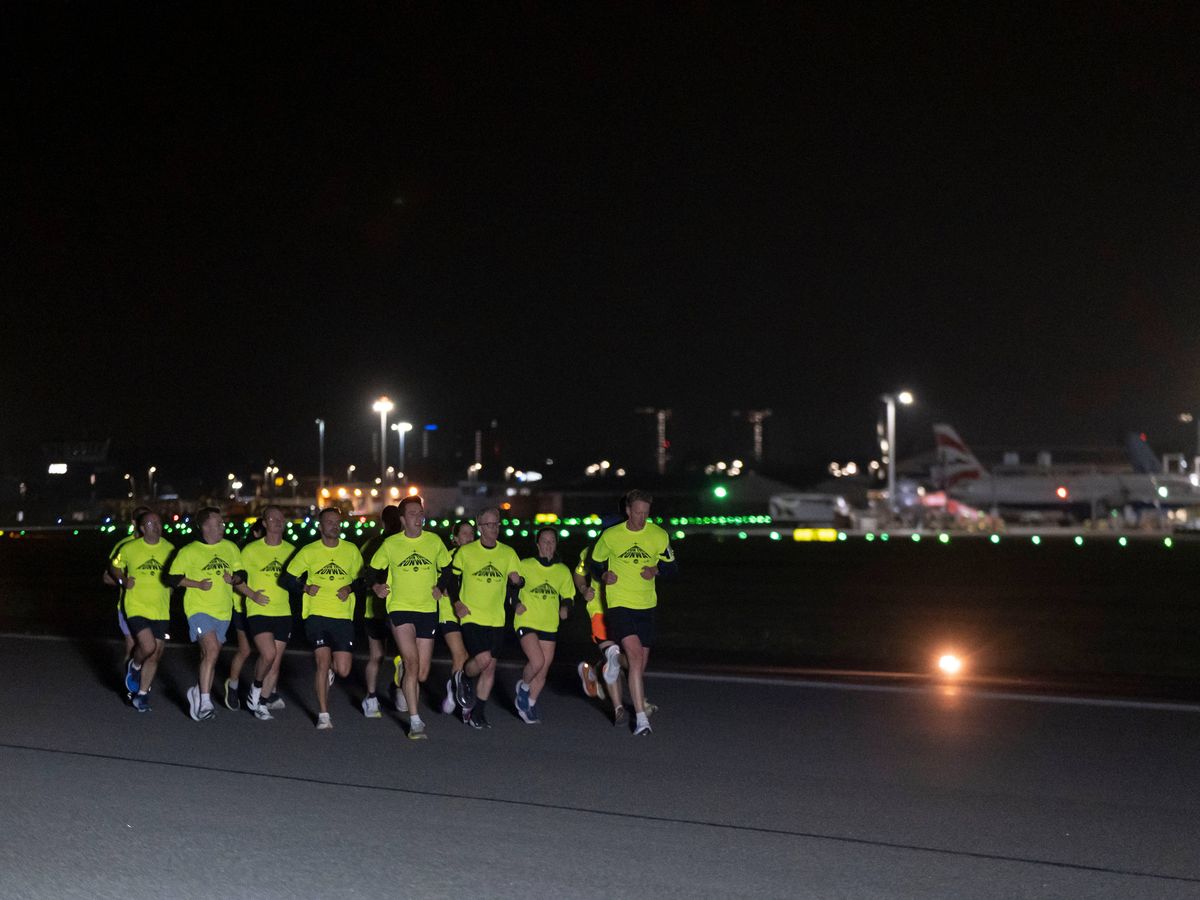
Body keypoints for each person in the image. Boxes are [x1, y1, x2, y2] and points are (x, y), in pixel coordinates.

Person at [590, 490, 676, 736]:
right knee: (636, 657)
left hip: (646, 605)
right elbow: (595, 564)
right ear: (628, 511)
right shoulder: (611, 536)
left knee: (638, 663)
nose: (641, 518)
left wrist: (656, 571)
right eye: (637, 513)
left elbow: (672, 568)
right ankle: (641, 720)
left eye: (646, 513)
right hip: (619, 603)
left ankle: (613, 661)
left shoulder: (658, 535)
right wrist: (604, 575)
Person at [367, 495, 451, 739]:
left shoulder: (434, 541)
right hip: (400, 608)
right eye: (413, 514)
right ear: (403, 520)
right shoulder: (391, 545)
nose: (418, 517)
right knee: (413, 663)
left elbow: (446, 567)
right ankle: (415, 721)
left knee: (421, 673)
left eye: (420, 513)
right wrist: (376, 587)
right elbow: (371, 570)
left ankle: (401, 675)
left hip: (427, 609)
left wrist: (440, 586)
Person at [283, 507, 364, 730]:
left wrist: (349, 587)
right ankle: (324, 715)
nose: (334, 526)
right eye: (329, 522)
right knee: (321, 662)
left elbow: (363, 579)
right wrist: (305, 587)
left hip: (342, 616)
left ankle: (329, 671)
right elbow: (287, 579)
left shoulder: (351, 550)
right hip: (316, 615)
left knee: (344, 669)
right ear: (320, 526)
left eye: (337, 522)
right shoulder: (309, 551)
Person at [167, 507, 247, 722]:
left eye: (222, 524)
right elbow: (172, 578)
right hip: (198, 609)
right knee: (211, 651)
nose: (221, 527)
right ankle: (204, 702)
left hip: (223, 611)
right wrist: (197, 584)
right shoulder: (190, 551)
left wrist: (235, 580)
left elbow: (241, 573)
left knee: (209, 655)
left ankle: (197, 692)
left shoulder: (230, 548)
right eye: (217, 524)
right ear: (204, 527)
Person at [448, 507, 521, 729]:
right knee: (482, 661)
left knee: (490, 667)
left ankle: (478, 713)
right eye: (489, 525)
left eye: (497, 524)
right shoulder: (466, 552)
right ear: (479, 527)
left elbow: (516, 582)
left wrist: (517, 583)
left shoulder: (508, 553)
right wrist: (457, 603)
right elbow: (451, 579)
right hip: (472, 616)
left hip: (497, 618)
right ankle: (465, 678)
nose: (494, 528)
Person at [236, 506, 296, 721]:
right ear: (264, 523)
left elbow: (300, 579)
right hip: (258, 610)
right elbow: (238, 581)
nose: (278, 522)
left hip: (283, 611)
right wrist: (252, 595)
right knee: (268, 655)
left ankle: (260, 702)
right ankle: (256, 690)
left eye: (281, 518)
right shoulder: (250, 550)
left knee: (275, 662)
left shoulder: (291, 550)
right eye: (273, 518)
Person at [111, 510, 173, 712]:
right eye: (150, 523)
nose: (156, 526)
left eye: (158, 522)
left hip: (161, 608)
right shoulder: (130, 548)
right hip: (136, 605)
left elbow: (179, 573)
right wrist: (123, 580)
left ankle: (142, 695)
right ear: (141, 527)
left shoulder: (170, 549)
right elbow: (114, 567)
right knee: (147, 647)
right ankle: (135, 666)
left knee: (155, 654)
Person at [512, 528, 573, 723]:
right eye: (544, 541)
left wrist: (565, 607)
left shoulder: (562, 570)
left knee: (544, 669)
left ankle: (528, 704)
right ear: (537, 544)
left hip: (549, 623)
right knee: (536, 661)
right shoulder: (525, 565)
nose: (548, 545)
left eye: (552, 542)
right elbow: (510, 586)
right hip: (527, 620)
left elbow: (569, 596)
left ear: (556, 545)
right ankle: (523, 687)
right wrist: (516, 603)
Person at [357, 505, 402, 719]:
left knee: (390, 656)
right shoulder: (377, 544)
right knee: (382, 655)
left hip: (396, 608)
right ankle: (374, 696)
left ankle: (381, 694)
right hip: (377, 608)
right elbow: (364, 576)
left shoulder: (376, 543)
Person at [105, 505, 152, 665]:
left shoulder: (159, 545)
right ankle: (130, 686)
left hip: (154, 605)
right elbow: (107, 577)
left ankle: (143, 685)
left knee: (152, 650)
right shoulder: (123, 546)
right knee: (132, 646)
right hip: (128, 605)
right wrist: (124, 581)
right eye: (142, 520)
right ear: (134, 522)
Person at [437, 520, 475, 714]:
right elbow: (438, 582)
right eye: (464, 534)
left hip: (472, 614)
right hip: (449, 613)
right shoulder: (448, 558)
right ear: (455, 539)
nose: (469, 537)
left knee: (470, 658)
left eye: (471, 533)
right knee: (460, 654)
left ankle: (454, 687)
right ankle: (458, 695)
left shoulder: (478, 558)